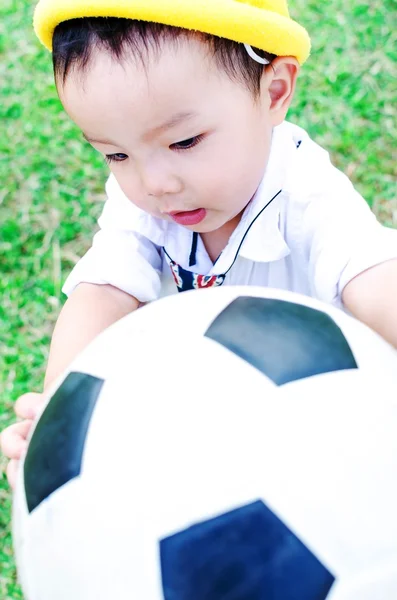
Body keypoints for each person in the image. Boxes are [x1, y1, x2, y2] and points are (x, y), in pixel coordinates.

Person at [2, 0, 397, 487]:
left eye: (184, 142)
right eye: (116, 154)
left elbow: (373, 276)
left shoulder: (305, 192)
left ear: (274, 91)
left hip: (309, 416)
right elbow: (102, 291)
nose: (154, 183)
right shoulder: (147, 203)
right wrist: (59, 416)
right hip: (195, 412)